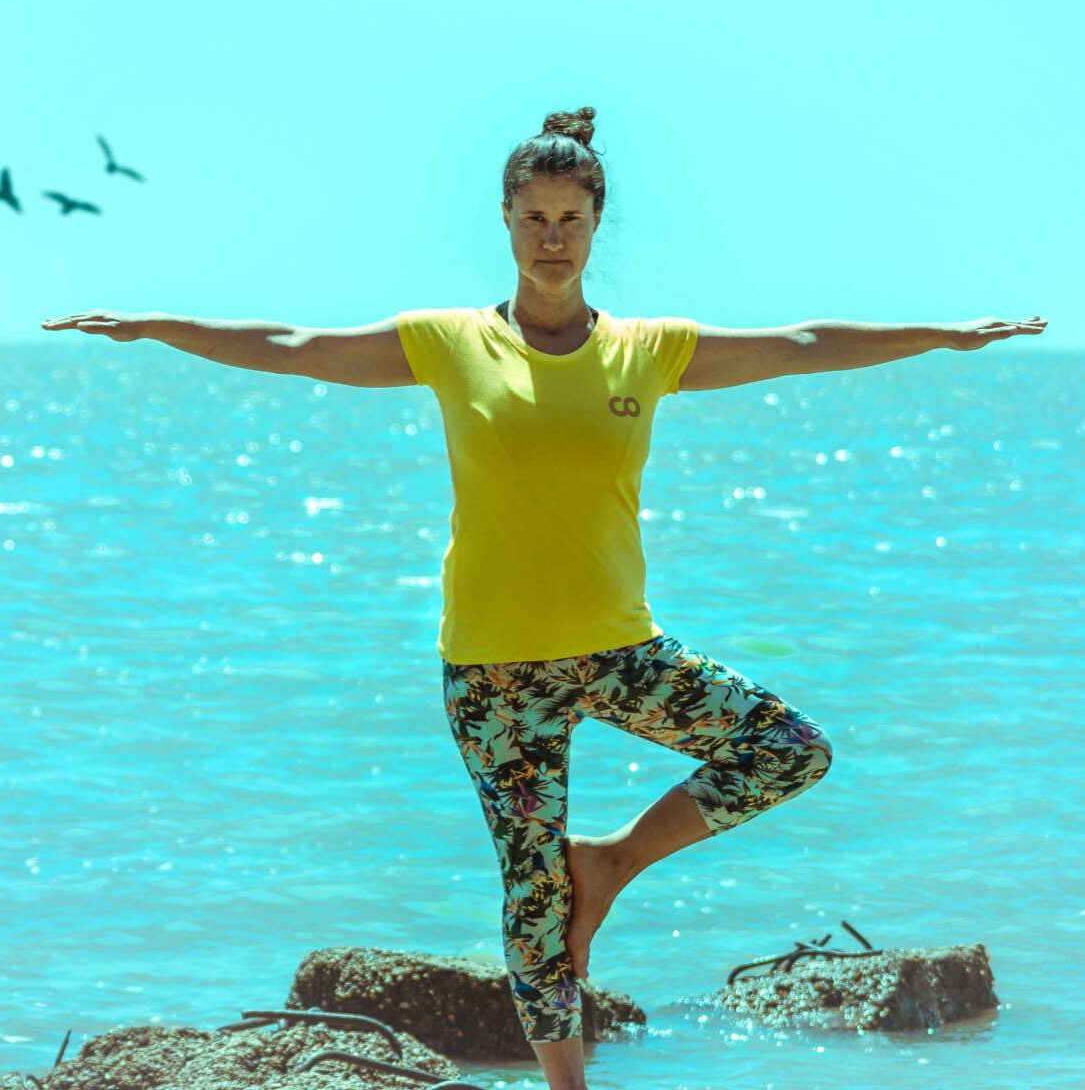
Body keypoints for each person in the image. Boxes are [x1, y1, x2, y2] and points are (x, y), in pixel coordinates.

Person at [40, 106, 1046, 1090]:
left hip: (620, 649)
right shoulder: (448, 342)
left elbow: (798, 341)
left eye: (570, 218)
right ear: (505, 221)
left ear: (596, 223)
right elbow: (299, 345)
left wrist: (940, 336)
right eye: (534, 218)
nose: (552, 237)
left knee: (787, 748)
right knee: (529, 899)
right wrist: (156, 326)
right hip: (492, 669)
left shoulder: (646, 351)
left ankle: (609, 861)